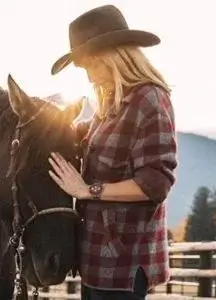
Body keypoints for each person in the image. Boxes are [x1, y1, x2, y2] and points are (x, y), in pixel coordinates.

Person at [48, 5, 177, 300]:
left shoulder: (150, 100)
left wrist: (86, 190)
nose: (91, 78)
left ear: (113, 57)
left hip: (124, 263)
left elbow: (155, 183)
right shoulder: (111, 104)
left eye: (92, 66)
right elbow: (86, 140)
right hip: (94, 259)